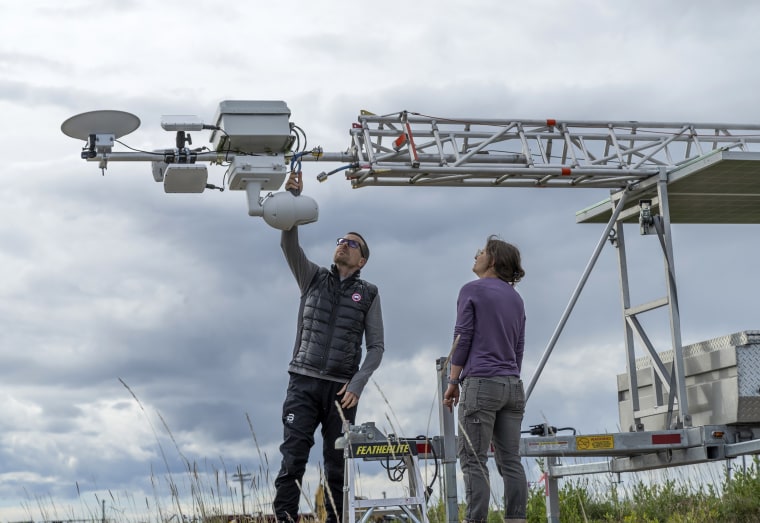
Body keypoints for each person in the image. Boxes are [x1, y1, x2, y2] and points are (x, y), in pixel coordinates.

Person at [273, 171, 385, 523]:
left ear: (362, 260)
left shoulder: (368, 294)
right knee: (293, 457)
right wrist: (291, 202)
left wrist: (357, 384)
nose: (343, 244)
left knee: (337, 466)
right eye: (341, 240)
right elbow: (287, 244)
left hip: (341, 391)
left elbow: (377, 347)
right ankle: (285, 517)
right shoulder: (313, 277)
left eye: (351, 243)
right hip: (302, 383)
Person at [442, 235, 527, 523]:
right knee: (510, 460)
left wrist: (453, 381)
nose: (475, 255)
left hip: (481, 384)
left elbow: (462, 338)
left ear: (491, 261)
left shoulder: (471, 290)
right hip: (513, 385)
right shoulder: (516, 298)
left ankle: (475, 519)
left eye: (481, 252)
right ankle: (516, 518)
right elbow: (519, 348)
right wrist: (510, 375)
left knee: (473, 458)